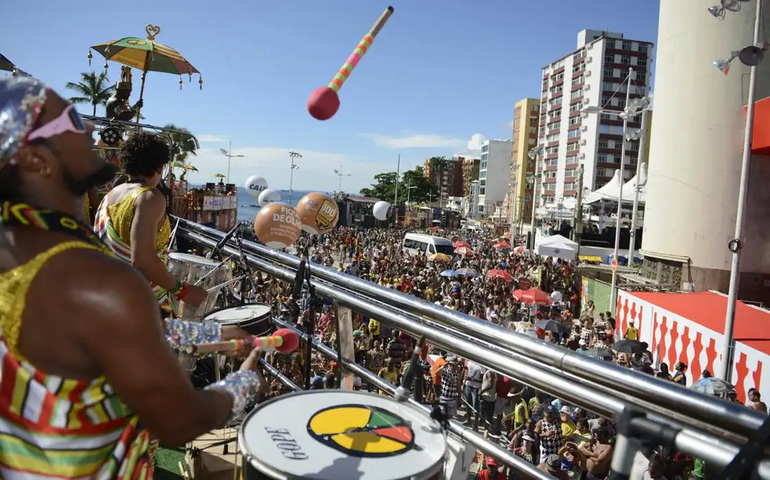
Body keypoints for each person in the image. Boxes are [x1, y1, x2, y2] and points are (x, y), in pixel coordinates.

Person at [0, 77, 262, 477]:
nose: (89, 126)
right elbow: (179, 418)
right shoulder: (95, 280)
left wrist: (209, 335)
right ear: (37, 160)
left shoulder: (26, 244)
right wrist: (242, 387)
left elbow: (110, 331)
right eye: (70, 119)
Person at [94, 132, 207, 312]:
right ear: (158, 167)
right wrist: (183, 290)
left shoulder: (110, 196)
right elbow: (142, 260)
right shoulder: (149, 197)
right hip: (137, 302)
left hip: (106, 294)